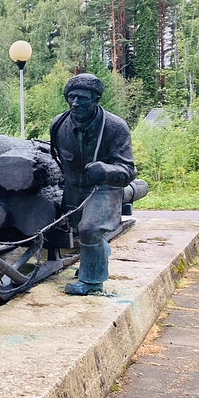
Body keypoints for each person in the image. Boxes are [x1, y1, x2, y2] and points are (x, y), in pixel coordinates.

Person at [50, 74, 136, 295]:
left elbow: (128, 171)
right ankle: (98, 254)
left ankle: (91, 282)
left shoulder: (116, 127)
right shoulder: (59, 125)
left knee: (89, 229)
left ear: (96, 99)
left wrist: (107, 171)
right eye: (71, 97)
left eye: (82, 98)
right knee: (82, 230)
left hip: (104, 188)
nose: (75, 103)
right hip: (74, 189)